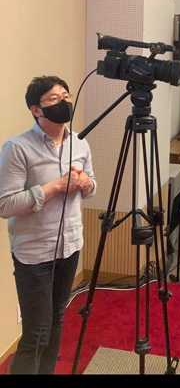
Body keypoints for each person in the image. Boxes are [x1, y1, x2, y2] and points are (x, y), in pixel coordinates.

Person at [0, 76, 96, 374]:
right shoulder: (17, 148)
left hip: (70, 247)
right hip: (34, 253)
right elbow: (5, 205)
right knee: (36, 333)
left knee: (56, 320)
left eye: (66, 96)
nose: (64, 102)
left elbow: (92, 186)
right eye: (54, 98)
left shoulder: (80, 143)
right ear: (36, 110)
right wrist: (54, 187)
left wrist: (85, 183)